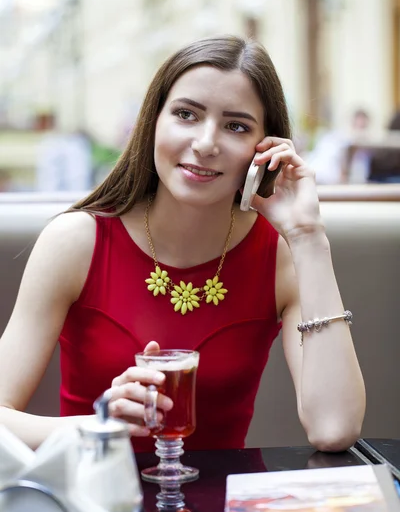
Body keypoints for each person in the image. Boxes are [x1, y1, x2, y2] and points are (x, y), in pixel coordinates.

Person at [0, 36, 365, 453]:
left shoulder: (280, 257)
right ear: (153, 122)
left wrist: (308, 237)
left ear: (265, 149)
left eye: (236, 126)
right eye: (186, 114)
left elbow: (334, 428)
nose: (206, 143)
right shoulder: (76, 241)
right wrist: (104, 426)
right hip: (94, 505)